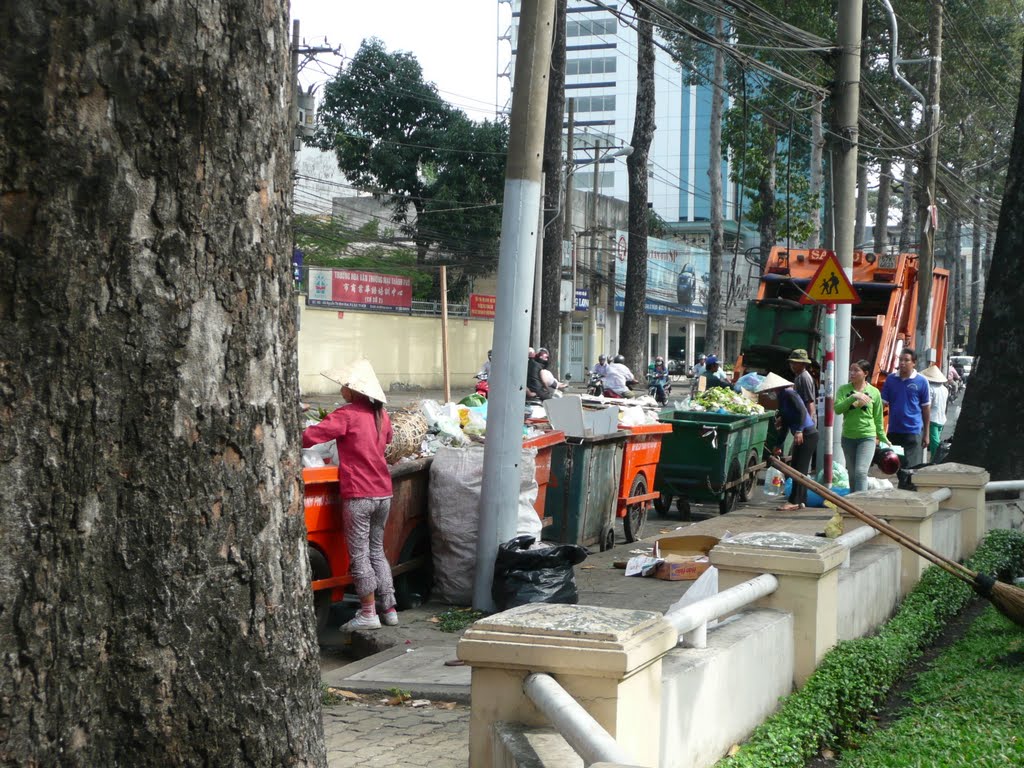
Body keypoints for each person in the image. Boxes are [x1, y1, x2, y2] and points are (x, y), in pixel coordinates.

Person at [302, 359, 398, 631]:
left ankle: (368, 613)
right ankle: (389, 608)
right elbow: (387, 440)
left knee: (359, 555)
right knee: (376, 551)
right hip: (383, 493)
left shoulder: (347, 414)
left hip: (359, 494)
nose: (341, 388)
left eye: (344, 384)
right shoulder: (381, 414)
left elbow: (312, 437)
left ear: (354, 390)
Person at [758, 372, 818, 510]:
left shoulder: (790, 394)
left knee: (800, 470)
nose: (769, 393)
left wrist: (799, 430)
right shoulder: (782, 398)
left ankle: (794, 501)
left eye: (770, 390)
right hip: (801, 435)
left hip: (807, 434)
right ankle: (801, 500)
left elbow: (803, 412)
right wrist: (778, 445)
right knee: (796, 468)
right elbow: (784, 425)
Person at [834, 359, 886, 492]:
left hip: (867, 436)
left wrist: (881, 436)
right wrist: (853, 397)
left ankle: (861, 504)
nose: (852, 373)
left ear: (865, 373)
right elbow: (838, 409)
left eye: (856, 370)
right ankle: (852, 506)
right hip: (848, 437)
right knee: (851, 474)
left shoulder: (874, 392)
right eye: (851, 370)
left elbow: (878, 417)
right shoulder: (843, 390)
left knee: (861, 472)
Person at [880, 348, 931, 470]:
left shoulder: (922, 381)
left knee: (911, 469)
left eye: (906, 360)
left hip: (913, 432)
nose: (902, 363)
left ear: (914, 363)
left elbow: (926, 409)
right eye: (900, 359)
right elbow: (881, 405)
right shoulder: (890, 380)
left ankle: (908, 489)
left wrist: (926, 434)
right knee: (896, 467)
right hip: (894, 431)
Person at [920, 364, 948, 457]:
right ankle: (934, 460)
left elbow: (927, 405)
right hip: (941, 419)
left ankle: (935, 461)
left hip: (932, 419)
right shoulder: (945, 389)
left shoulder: (930, 388)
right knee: (935, 443)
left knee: (935, 445)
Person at [788, 348, 817, 425]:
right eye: (791, 362)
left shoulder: (804, 378)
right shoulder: (798, 376)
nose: (792, 365)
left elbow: (810, 402)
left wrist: (808, 423)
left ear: (803, 364)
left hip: (806, 422)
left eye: (795, 363)